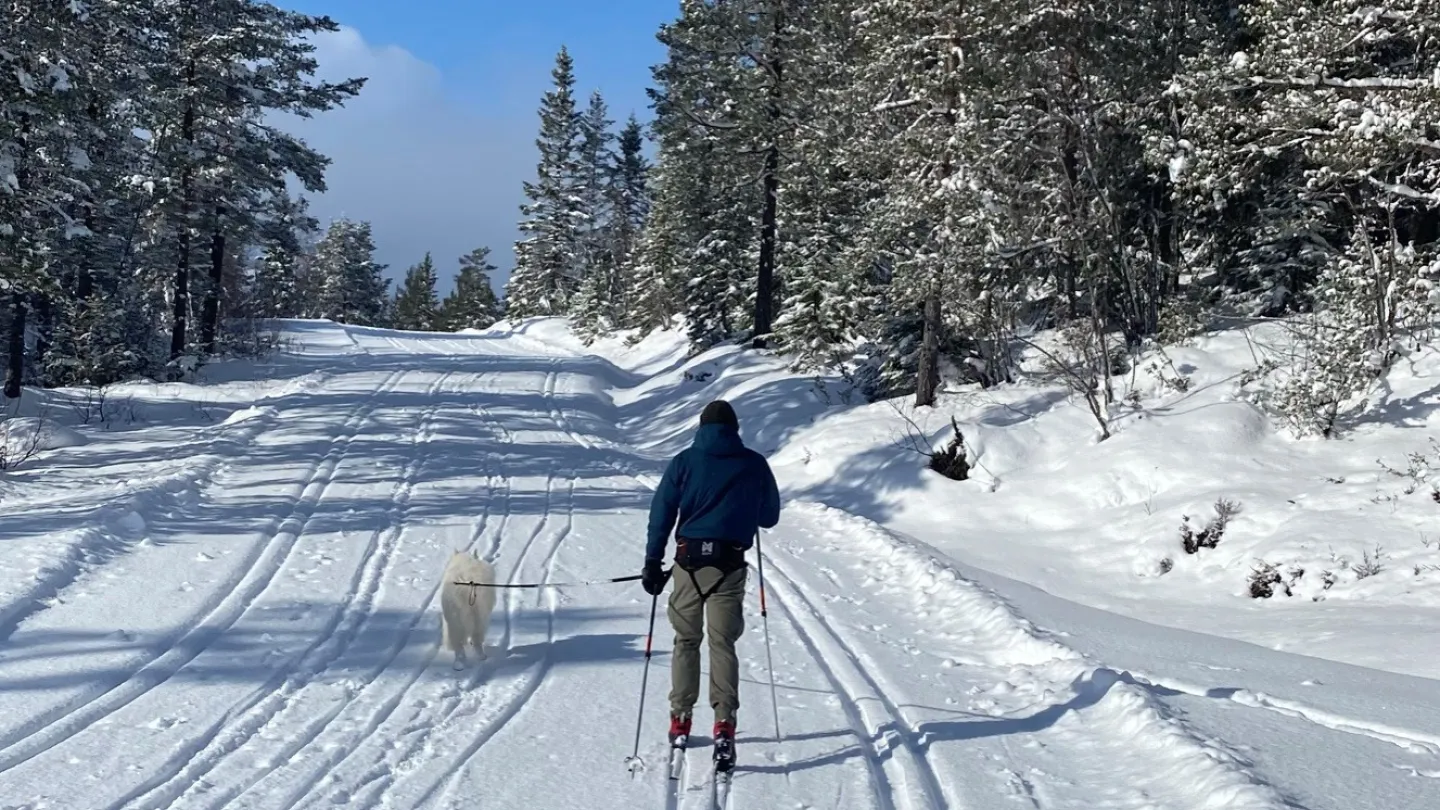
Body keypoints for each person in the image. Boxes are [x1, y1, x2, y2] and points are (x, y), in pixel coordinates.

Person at [641, 399, 780, 773]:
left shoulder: (683, 462)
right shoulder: (754, 463)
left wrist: (653, 562)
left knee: (686, 641)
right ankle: (724, 724)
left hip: (688, 565)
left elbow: (662, 513)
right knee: (722, 643)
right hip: (729, 567)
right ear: (734, 428)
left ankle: (681, 717)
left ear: (700, 427)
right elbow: (769, 517)